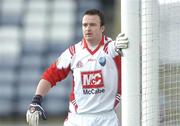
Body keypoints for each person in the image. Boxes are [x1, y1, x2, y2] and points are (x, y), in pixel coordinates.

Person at [26, 9, 128, 126]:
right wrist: (36, 100)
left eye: (92, 25)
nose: (88, 28)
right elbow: (50, 75)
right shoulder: (73, 52)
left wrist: (124, 46)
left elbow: (115, 47)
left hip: (106, 118)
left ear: (102, 28)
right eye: (85, 25)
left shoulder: (112, 48)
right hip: (78, 118)